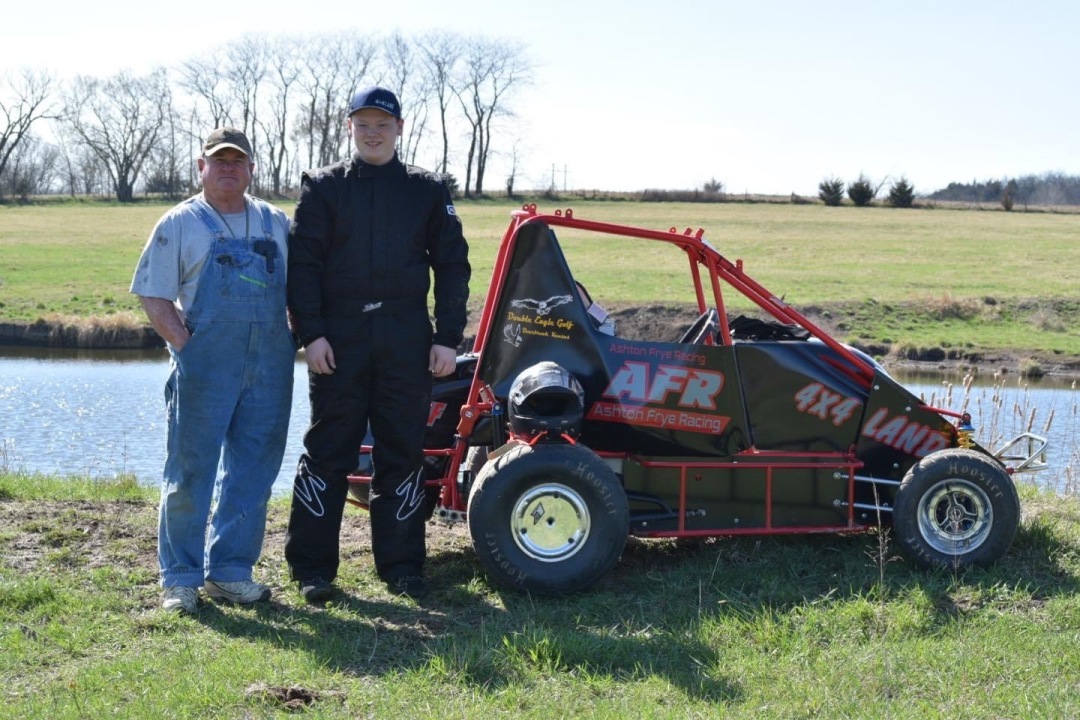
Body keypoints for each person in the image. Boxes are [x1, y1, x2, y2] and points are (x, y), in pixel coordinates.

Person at [284, 86, 470, 603]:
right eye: (363, 124)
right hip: (337, 344)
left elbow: (452, 266)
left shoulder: (428, 190)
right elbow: (304, 266)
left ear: (400, 129)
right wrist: (312, 334)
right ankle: (312, 569)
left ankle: (403, 566)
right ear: (349, 127)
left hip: (407, 343)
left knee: (402, 454)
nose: (373, 133)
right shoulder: (322, 188)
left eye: (382, 124)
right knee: (328, 451)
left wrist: (447, 339)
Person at [130, 127, 295, 614]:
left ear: (250, 169)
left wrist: (296, 336)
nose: (228, 168)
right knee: (190, 470)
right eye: (217, 161)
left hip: (269, 367)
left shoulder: (275, 222)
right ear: (200, 167)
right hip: (205, 367)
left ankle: (231, 573)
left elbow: (301, 291)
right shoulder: (180, 223)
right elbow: (153, 294)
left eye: (237, 161)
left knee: (253, 472)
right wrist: (188, 347)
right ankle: (180, 578)